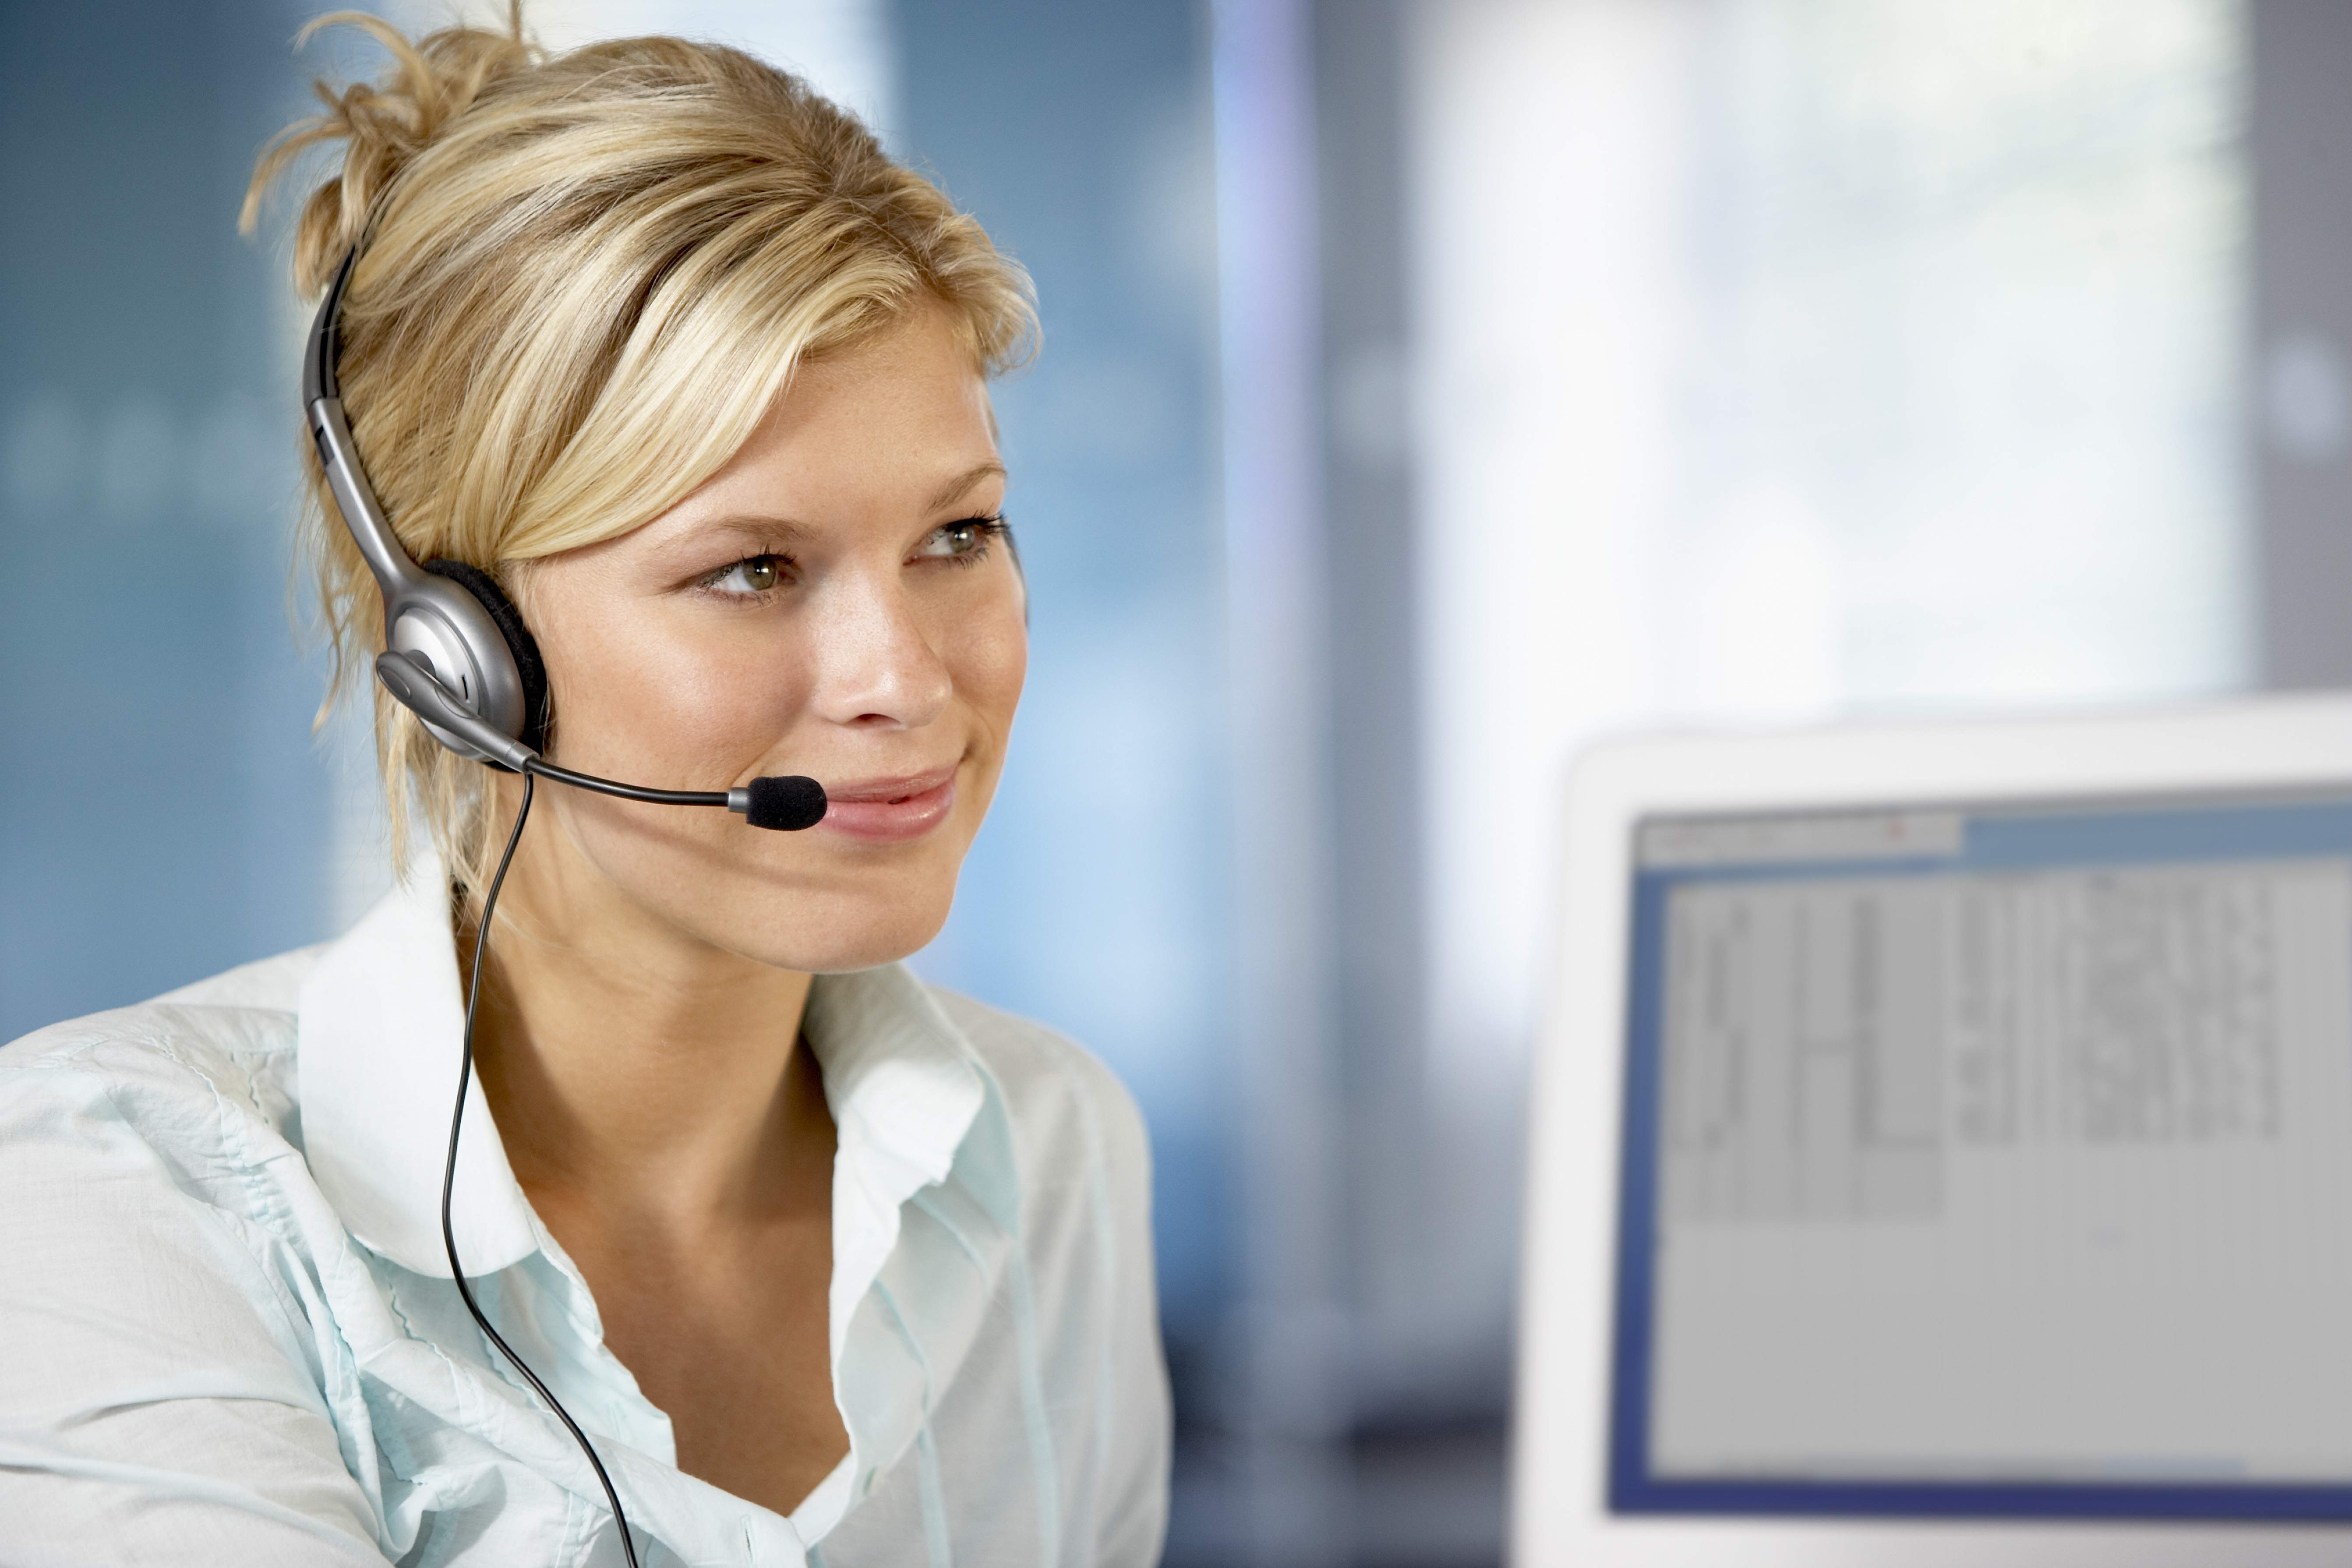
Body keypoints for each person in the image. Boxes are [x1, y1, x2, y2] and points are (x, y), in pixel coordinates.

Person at [0, 11, 1169, 1565]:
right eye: (753, 568)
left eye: (956, 535)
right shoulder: (122, 1199)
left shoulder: (1045, 1146)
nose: (902, 675)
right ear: (458, 652)